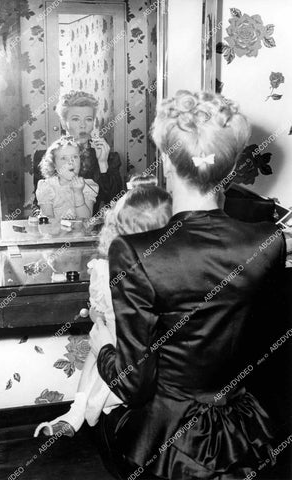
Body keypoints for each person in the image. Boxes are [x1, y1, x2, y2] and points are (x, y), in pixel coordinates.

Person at [89, 90, 286, 479]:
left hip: (165, 442)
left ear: (165, 159)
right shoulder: (269, 241)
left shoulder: (133, 251)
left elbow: (134, 385)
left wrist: (103, 350)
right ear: (229, 167)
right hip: (240, 432)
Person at [34, 185, 172, 438]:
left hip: (133, 358)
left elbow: (99, 313)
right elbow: (100, 314)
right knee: (98, 346)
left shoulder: (107, 269)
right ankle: (78, 410)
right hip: (126, 349)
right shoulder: (117, 270)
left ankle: (79, 410)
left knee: (101, 349)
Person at [34, 91, 124, 215]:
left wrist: (103, 164)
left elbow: (116, 204)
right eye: (76, 119)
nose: (83, 125)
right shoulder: (46, 158)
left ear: (93, 122)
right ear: (63, 123)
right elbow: (37, 205)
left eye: (88, 119)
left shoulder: (109, 158)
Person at [36, 136, 98, 219]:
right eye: (63, 158)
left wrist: (78, 193)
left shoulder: (87, 186)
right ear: (54, 165)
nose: (70, 162)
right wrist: (61, 223)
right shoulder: (47, 187)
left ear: (81, 160)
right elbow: (47, 219)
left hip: (80, 231)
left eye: (75, 157)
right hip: (55, 230)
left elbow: (86, 219)